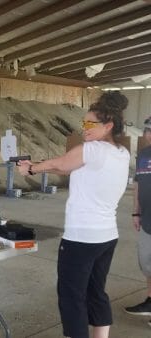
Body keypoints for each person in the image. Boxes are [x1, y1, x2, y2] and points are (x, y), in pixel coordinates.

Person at [17, 91, 130, 338]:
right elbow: (79, 170)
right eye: (84, 123)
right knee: (96, 291)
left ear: (108, 125)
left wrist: (31, 168)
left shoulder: (92, 149)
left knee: (72, 296)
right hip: (107, 236)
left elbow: (62, 164)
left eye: (91, 124)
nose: (85, 128)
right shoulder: (121, 153)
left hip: (82, 238)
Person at [123, 117, 151, 325]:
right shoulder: (142, 155)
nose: (148, 134)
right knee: (148, 264)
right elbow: (138, 185)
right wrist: (135, 212)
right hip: (147, 220)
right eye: (147, 130)